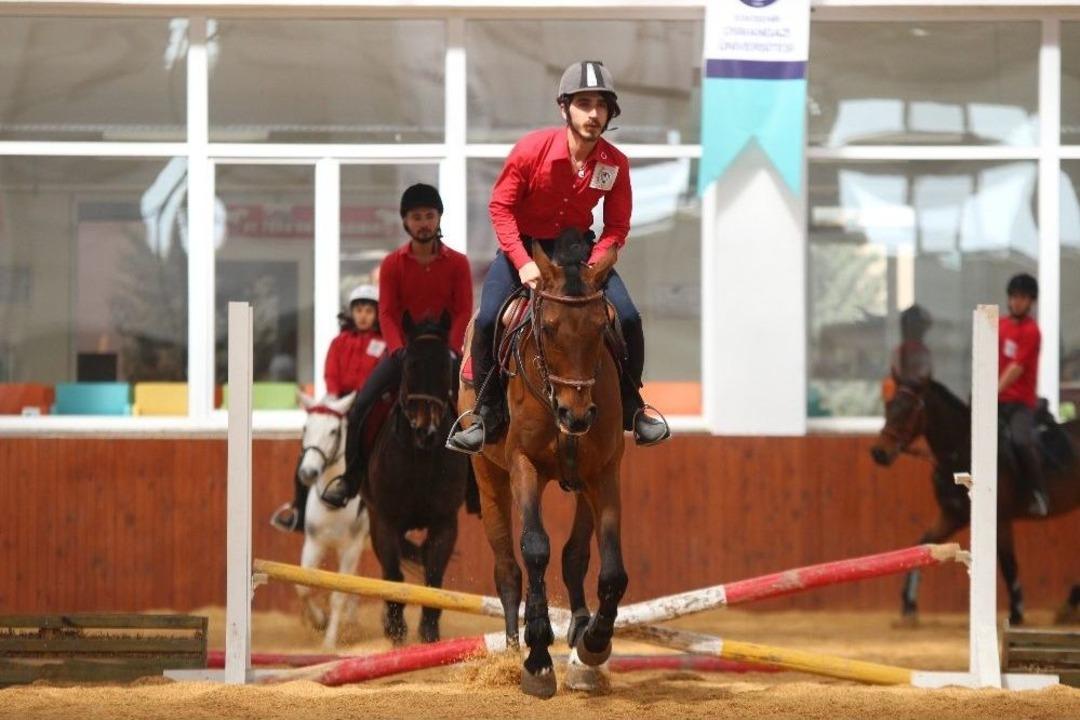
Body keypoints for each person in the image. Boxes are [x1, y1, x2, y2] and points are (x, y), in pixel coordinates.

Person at [446, 60, 669, 454]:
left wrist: (599, 262)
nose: (594, 114)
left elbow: (617, 227)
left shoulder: (615, 164)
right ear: (564, 108)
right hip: (526, 250)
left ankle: (634, 406)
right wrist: (523, 261)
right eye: (584, 103)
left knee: (629, 318)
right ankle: (485, 413)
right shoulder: (530, 150)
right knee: (486, 319)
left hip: (579, 254)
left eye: (601, 105)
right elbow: (501, 207)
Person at [317, 183, 473, 508]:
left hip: (444, 352)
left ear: (439, 217)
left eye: (429, 215)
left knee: (476, 409)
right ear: (405, 222)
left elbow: (462, 311)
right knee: (361, 407)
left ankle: (475, 488)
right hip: (404, 352)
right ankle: (351, 479)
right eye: (416, 217)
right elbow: (386, 312)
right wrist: (397, 349)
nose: (424, 223)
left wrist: (453, 350)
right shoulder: (392, 264)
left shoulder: (458, 263)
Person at [270, 284, 385, 532]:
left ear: (376, 313)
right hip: (336, 400)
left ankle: (375, 509)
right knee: (311, 445)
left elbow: (378, 375)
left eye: (368, 310)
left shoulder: (382, 343)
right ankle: (298, 510)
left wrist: (361, 398)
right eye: (359, 310)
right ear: (351, 313)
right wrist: (333, 398)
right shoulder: (339, 341)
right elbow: (330, 371)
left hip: (367, 403)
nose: (363, 315)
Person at [998, 272, 1048, 517]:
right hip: (996, 401)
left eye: (1023, 298)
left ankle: (1039, 493)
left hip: (1020, 403)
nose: (1017, 302)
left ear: (1031, 302)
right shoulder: (1000, 326)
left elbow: (1016, 368)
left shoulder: (1032, 331)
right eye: (1014, 297)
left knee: (1020, 440)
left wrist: (993, 390)